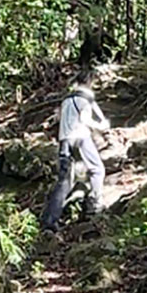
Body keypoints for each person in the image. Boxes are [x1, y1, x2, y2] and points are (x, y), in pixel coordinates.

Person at [40, 76, 110, 231]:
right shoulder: (84, 100)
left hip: (64, 141)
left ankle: (50, 220)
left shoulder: (66, 101)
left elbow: (59, 119)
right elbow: (85, 119)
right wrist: (100, 126)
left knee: (64, 182)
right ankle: (94, 205)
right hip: (80, 137)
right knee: (98, 169)